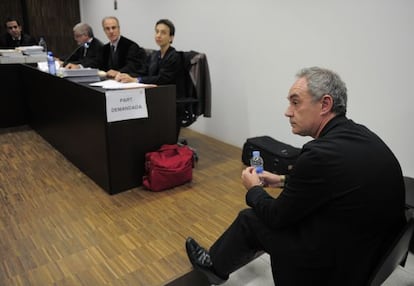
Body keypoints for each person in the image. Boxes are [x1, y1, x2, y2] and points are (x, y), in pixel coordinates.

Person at [185, 67, 406, 286]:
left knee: (250, 219)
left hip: (335, 270)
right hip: (370, 256)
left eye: (296, 102)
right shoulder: (362, 136)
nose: (288, 111)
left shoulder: (318, 154)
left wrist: (254, 189)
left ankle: (213, 267)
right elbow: (333, 184)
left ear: (325, 104)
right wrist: (281, 180)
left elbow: (276, 217)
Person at [115, 19, 183, 86]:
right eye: (157, 31)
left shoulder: (175, 56)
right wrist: (126, 76)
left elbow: (162, 78)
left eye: (163, 32)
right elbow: (143, 72)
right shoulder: (154, 55)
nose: (158, 35)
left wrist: (137, 80)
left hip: (169, 93)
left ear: (171, 38)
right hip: (153, 90)